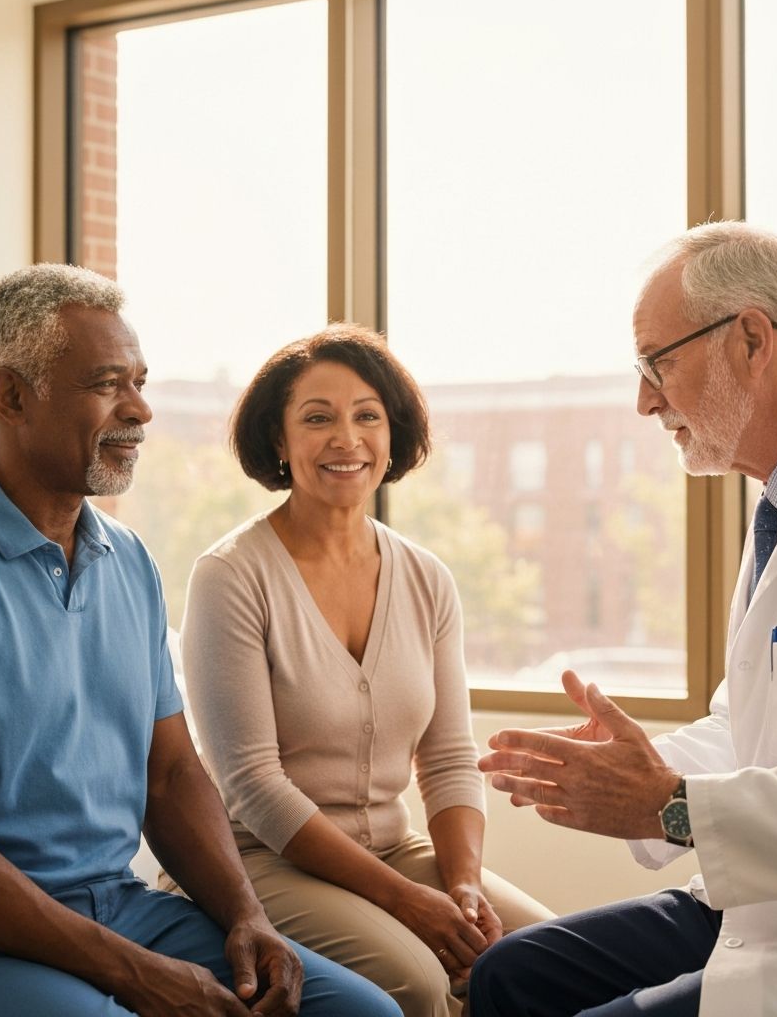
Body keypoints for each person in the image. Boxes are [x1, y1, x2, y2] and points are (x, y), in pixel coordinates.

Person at [0, 265, 402, 1017]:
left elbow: (170, 775)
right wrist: (132, 975)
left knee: (362, 1012)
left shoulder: (126, 560)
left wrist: (245, 917)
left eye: (139, 380)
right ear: (11, 396)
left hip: (121, 907)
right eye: (107, 384)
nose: (140, 409)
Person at [469, 221, 777, 1017]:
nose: (644, 400)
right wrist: (630, 768)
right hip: (772, 905)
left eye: (657, 363)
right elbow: (751, 726)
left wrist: (671, 804)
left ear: (751, 338)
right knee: (511, 974)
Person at [166, 324, 553, 1017]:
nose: (347, 439)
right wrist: (411, 902)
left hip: (392, 847)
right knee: (421, 981)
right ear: (279, 443)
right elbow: (253, 787)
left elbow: (450, 758)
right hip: (261, 860)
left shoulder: (426, 578)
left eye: (367, 416)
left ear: (393, 436)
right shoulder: (230, 576)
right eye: (318, 418)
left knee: (552, 958)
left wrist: (462, 886)